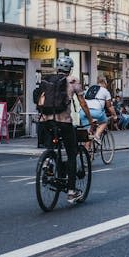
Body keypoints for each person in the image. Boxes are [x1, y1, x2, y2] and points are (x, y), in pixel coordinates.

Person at [37, 55, 94, 203]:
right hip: (64, 122)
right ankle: (71, 191)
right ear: (70, 69)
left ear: (57, 67)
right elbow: (83, 103)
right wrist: (90, 120)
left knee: (51, 147)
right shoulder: (73, 81)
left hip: (46, 122)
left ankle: (48, 164)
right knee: (72, 153)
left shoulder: (48, 80)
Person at [81, 76, 115, 142]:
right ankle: (97, 136)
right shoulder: (105, 91)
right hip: (96, 112)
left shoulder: (89, 89)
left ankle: (87, 150)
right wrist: (114, 115)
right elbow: (109, 106)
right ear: (105, 83)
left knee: (87, 134)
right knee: (104, 122)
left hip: (83, 112)